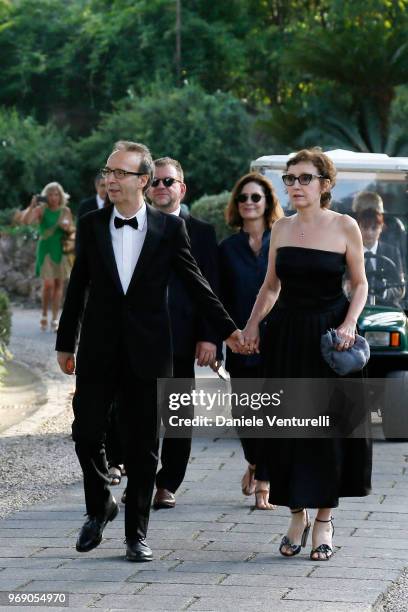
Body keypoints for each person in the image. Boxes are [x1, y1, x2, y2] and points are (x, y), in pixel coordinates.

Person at [56, 140, 242, 563]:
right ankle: (101, 501)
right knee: (86, 432)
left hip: (150, 349)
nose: (110, 179)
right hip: (99, 349)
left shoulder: (170, 229)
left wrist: (228, 331)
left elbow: (197, 285)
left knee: (144, 445)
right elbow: (77, 288)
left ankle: (135, 533)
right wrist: (65, 342)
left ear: (143, 181)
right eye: (108, 172)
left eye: (120, 173)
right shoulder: (89, 224)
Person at [243, 148, 372, 561]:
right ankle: (295, 515)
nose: (295, 185)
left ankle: (324, 521)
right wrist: (250, 325)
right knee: (287, 430)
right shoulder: (280, 228)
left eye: (304, 178)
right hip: (286, 338)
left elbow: (360, 284)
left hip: (331, 339)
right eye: (290, 178)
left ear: (325, 185)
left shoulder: (345, 226)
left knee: (329, 432)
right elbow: (271, 287)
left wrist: (349, 324)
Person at [145, 156, 220, 509]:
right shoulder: (134, 226)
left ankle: (167, 483)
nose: (161, 187)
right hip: (141, 336)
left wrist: (210, 336)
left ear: (182, 188)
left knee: (177, 414)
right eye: (155, 181)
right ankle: (141, 479)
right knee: (140, 414)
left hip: (183, 336)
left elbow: (211, 287)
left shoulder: (202, 233)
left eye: (168, 181)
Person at [219, 172, 283, 509]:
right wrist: (225, 339)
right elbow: (217, 299)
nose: (248, 203)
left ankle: (264, 485)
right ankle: (255, 462)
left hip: (277, 343)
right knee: (245, 415)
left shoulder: (283, 244)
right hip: (240, 343)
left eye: (255, 197)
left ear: (268, 202)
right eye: (243, 198)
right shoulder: (226, 249)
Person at [21, 182, 73, 332]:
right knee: (48, 284)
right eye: (50, 194)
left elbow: (71, 229)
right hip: (45, 250)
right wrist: (32, 206)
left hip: (60, 250)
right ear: (45, 196)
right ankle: (44, 313)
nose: (53, 197)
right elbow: (26, 221)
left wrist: (66, 227)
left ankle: (55, 318)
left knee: (59, 285)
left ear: (61, 195)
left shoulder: (65, 211)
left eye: (56, 194)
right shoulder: (41, 209)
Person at [357, 208, 405, 306]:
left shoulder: (392, 252)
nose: (369, 233)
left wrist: (385, 292)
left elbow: (400, 288)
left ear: (381, 228)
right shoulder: (350, 251)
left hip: (385, 308)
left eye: (374, 228)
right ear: (358, 227)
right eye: (365, 227)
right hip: (354, 307)